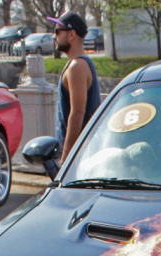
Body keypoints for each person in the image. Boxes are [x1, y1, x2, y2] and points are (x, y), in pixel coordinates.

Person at [47, 11, 101, 160]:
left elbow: (77, 113)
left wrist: (66, 158)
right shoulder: (80, 63)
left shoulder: (77, 66)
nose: (54, 36)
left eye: (57, 31)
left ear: (71, 34)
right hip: (84, 153)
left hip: (81, 156)